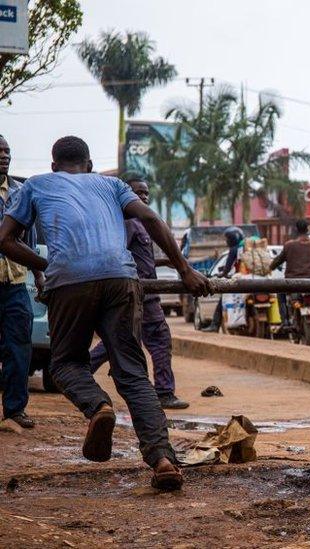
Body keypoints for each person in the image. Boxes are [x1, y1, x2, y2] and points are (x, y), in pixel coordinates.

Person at [0, 136, 212, 491]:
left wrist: (47, 265)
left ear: (54, 166)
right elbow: (151, 218)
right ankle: (162, 459)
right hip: (121, 277)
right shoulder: (112, 185)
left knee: (66, 364)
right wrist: (185, 270)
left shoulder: (36, 185)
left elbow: (4, 239)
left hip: (69, 282)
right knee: (132, 373)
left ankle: (98, 407)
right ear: (89, 164)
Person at [88, 177, 189, 410]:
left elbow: (142, 258)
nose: (143, 198)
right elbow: (120, 255)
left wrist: (165, 261)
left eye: (146, 194)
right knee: (159, 339)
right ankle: (164, 392)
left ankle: (79, 373)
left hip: (140, 291)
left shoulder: (137, 224)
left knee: (118, 339)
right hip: (141, 293)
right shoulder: (127, 224)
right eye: (138, 193)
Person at [0, 134, 41, 429]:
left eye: (7, 151)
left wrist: (38, 274)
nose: (4, 156)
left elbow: (31, 239)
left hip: (15, 283)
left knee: (19, 345)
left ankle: (15, 408)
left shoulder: (19, 192)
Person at [269, 219, 310, 323]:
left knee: (280, 292)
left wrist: (271, 267)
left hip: (293, 283)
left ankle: (285, 320)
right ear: (308, 229)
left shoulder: (289, 245)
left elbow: (278, 260)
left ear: (296, 230)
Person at [200, 225, 245, 333]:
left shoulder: (234, 250)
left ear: (232, 239)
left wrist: (222, 274)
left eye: (227, 239)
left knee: (221, 301)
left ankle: (215, 325)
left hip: (238, 280)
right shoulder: (244, 247)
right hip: (250, 279)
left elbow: (227, 268)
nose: (226, 241)